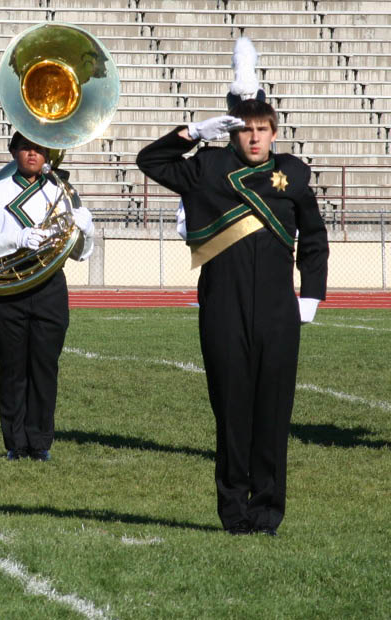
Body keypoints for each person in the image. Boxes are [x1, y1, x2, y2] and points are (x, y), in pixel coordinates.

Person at [136, 99, 328, 536]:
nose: (254, 137)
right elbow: (150, 160)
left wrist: (310, 294)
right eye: (245, 130)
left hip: (279, 311)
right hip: (223, 307)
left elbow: (314, 236)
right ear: (232, 134)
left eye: (262, 129)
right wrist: (194, 132)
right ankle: (233, 512)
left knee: (274, 414)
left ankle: (267, 511)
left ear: (275, 133)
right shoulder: (207, 168)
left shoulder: (292, 174)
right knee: (231, 411)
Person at [0, 132, 94, 462]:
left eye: (39, 148)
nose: (33, 154)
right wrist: (16, 238)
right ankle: (15, 443)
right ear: (13, 151)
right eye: (26, 148)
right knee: (13, 368)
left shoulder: (61, 193)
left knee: (45, 367)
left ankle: (40, 441)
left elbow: (78, 254)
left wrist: (86, 230)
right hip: (8, 289)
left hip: (50, 289)